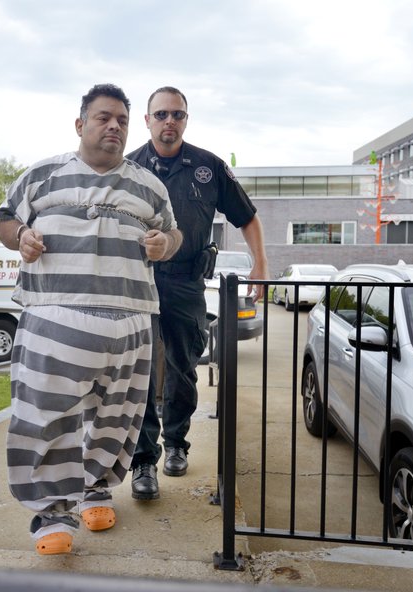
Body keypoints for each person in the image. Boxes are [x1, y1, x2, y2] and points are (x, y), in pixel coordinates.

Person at [0, 83, 182, 555]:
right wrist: (21, 237)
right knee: (47, 416)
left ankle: (97, 489)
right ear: (80, 124)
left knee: (118, 417)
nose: (113, 125)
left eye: (121, 118)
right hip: (55, 318)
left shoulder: (150, 185)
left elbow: (173, 233)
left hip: (131, 322)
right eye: (103, 117)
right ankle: (54, 512)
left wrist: (165, 244)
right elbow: (3, 220)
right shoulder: (41, 175)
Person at [126, 86, 268, 499]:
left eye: (178, 114)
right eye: (161, 114)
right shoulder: (128, 167)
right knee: (141, 372)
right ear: (148, 120)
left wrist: (260, 264)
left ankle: (176, 445)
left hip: (186, 282)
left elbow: (248, 218)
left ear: (186, 120)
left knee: (183, 368)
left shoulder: (209, 167)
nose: (170, 121)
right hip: (139, 281)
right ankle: (142, 463)